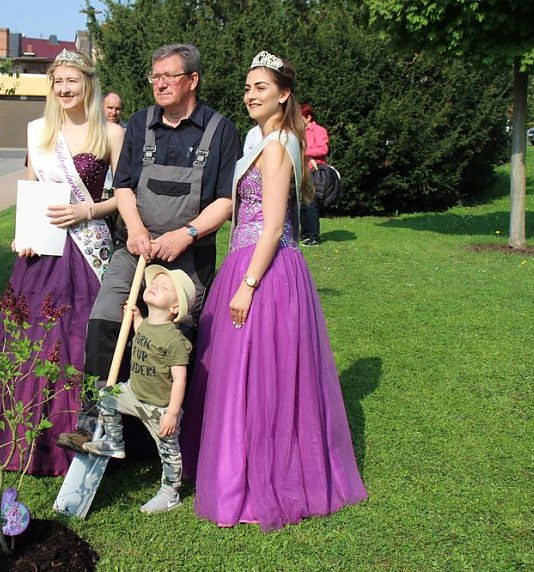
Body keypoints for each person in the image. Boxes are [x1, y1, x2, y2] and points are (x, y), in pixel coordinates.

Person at [181, 51, 367, 531]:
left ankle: (264, 477)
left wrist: (246, 285)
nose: (250, 94)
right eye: (247, 87)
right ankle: (238, 470)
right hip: (247, 262)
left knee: (261, 373)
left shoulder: (281, 143)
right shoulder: (258, 140)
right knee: (243, 372)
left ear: (283, 94)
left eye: (260, 87)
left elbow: (274, 225)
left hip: (265, 270)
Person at [57, 43, 241, 453]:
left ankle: (171, 435)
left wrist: (186, 234)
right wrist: (137, 229)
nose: (159, 84)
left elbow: (227, 201)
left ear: (192, 80)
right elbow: (123, 186)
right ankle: (97, 420)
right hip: (134, 247)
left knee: (172, 338)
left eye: (168, 76)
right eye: (154, 76)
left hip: (187, 254)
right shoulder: (141, 124)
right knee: (106, 317)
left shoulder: (220, 131)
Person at [0, 49, 125, 476]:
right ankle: (29, 440)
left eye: (72, 81)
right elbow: (30, 189)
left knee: (81, 342)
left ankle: (89, 437)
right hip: (41, 255)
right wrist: (22, 233)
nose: (64, 89)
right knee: (34, 341)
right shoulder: (37, 131)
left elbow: (126, 197)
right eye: (58, 81)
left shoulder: (111, 134)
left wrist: (89, 212)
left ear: (88, 85)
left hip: (88, 251)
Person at [83, 265, 195, 514]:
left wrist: (172, 413)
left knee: (168, 451)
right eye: (154, 283)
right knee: (106, 395)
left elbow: (179, 379)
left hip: (159, 407)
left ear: (175, 308)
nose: (154, 285)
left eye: (163, 287)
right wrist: (135, 319)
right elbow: (143, 334)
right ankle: (113, 440)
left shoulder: (174, 340)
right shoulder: (147, 325)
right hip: (134, 394)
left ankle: (170, 492)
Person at [299, 103, 329, 246]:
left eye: (300, 117)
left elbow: (323, 149)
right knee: (302, 204)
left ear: (308, 117)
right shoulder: (299, 131)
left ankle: (314, 237)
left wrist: (305, 153)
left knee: (311, 203)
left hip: (314, 170)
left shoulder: (319, 130)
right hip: (302, 170)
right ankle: (305, 233)